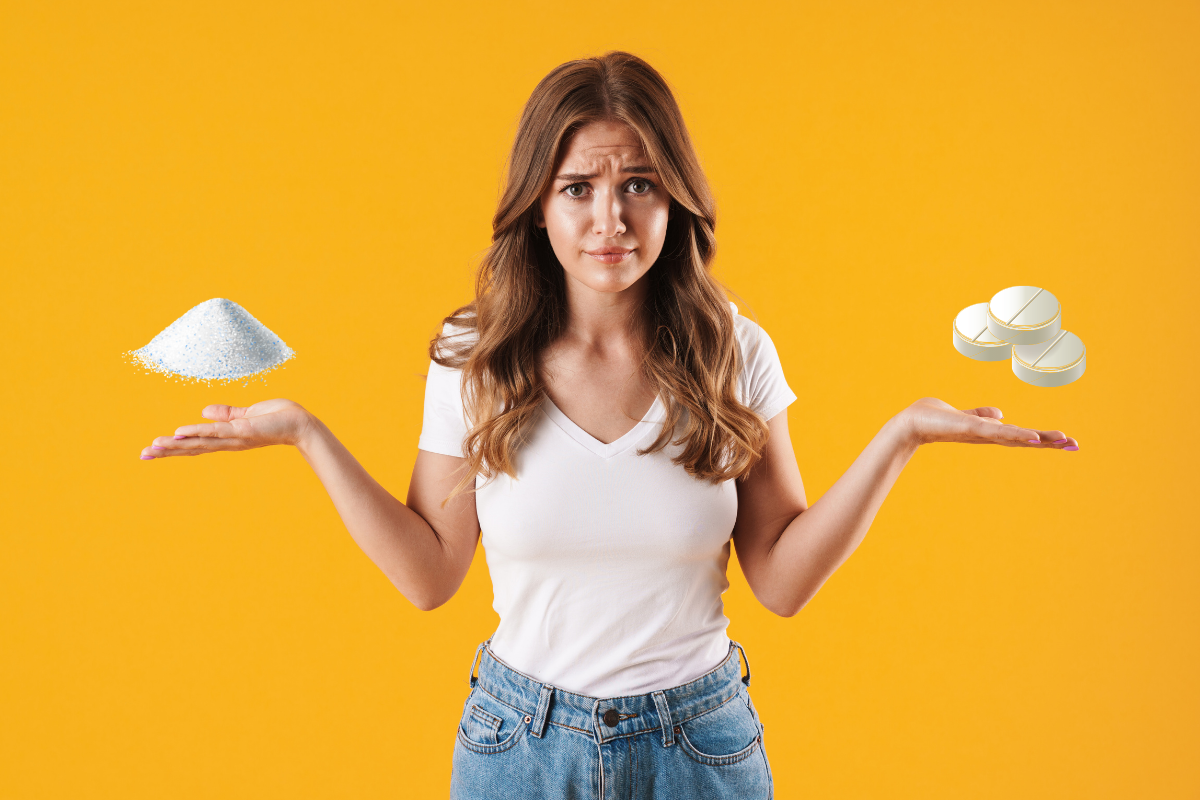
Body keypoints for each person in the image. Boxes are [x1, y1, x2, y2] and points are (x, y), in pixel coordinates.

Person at [139, 51, 1079, 799]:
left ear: (675, 197)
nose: (610, 219)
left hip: (699, 748)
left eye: (639, 184)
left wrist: (901, 436)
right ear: (537, 206)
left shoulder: (732, 348)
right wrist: (307, 434)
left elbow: (782, 582)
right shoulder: (474, 354)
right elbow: (431, 575)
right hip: (519, 747)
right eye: (579, 188)